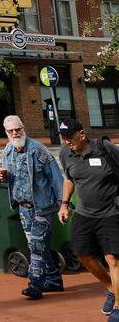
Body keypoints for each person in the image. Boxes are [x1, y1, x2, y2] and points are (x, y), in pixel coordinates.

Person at [0, 115, 64, 299]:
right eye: (10, 131)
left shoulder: (38, 149)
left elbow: (56, 178)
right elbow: (3, 170)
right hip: (23, 209)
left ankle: (35, 284)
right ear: (6, 132)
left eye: (17, 129)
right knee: (38, 247)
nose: (15, 133)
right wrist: (2, 175)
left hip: (42, 207)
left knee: (36, 246)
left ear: (23, 128)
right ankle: (54, 280)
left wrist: (63, 204)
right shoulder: (8, 150)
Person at [58, 118, 119, 318]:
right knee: (82, 253)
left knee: (113, 259)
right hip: (84, 213)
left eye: (70, 136)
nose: (67, 141)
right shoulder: (65, 153)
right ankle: (111, 288)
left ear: (82, 134)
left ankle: (118, 307)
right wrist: (64, 204)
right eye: (64, 137)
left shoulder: (104, 148)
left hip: (111, 212)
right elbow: (69, 179)